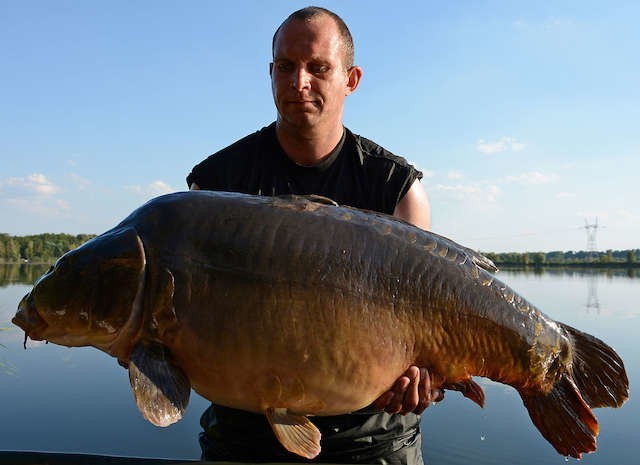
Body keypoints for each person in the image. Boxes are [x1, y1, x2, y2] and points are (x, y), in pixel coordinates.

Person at [186, 6, 442, 465]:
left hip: (374, 443)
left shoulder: (397, 189)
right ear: (270, 73)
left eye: (318, 68)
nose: (298, 82)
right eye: (285, 67)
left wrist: (427, 377)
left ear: (351, 79)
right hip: (244, 440)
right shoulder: (216, 185)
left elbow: (423, 323)